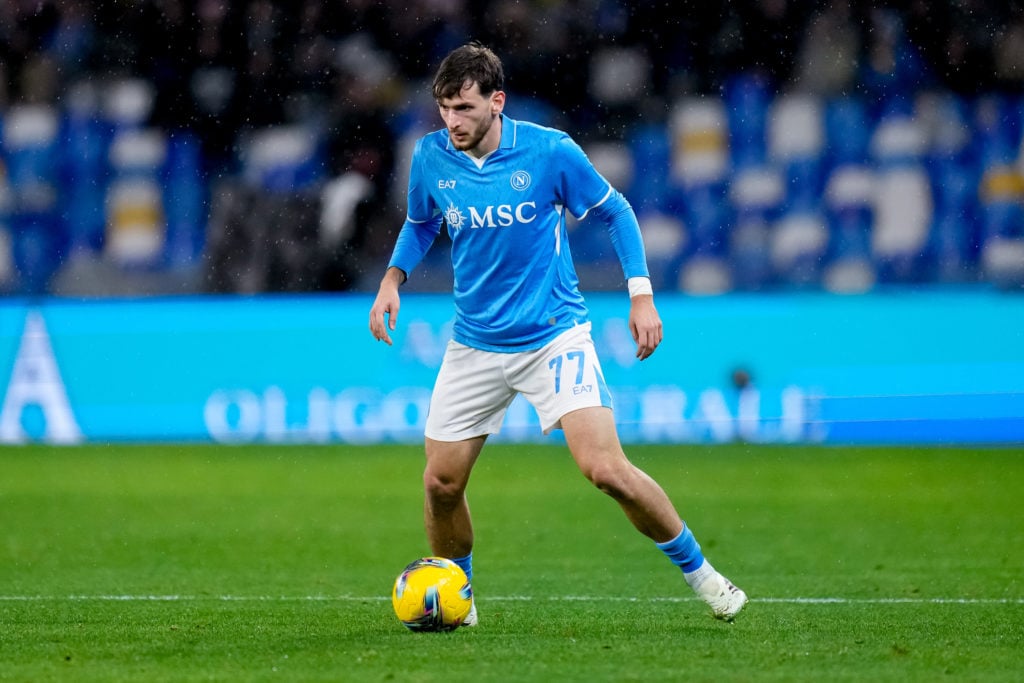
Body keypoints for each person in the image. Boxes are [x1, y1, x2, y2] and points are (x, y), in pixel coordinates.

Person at [368, 42, 747, 625]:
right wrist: (393, 278)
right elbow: (422, 222)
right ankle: (458, 600)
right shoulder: (431, 156)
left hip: (554, 337)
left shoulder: (549, 152)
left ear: (497, 102)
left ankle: (705, 576)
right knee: (441, 484)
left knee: (606, 471)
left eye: (465, 108)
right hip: (474, 342)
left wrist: (640, 295)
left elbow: (616, 212)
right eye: (444, 108)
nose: (453, 121)